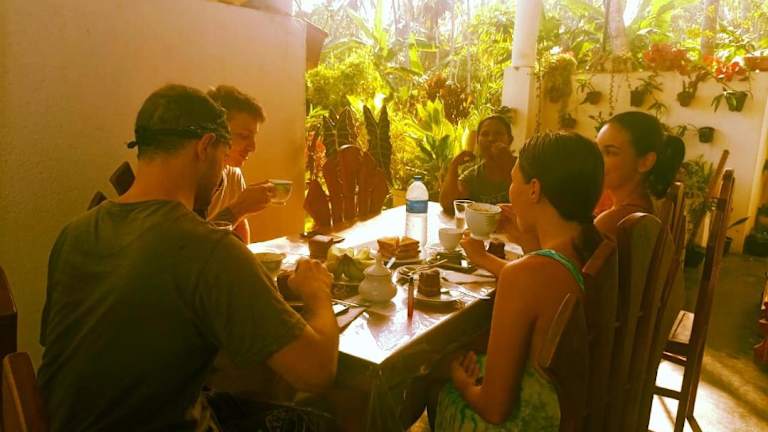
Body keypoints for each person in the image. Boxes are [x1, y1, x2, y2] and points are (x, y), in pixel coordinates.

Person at [38, 84, 339, 432]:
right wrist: (317, 292)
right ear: (205, 147)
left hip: (63, 423)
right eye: (223, 155)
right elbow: (316, 371)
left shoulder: (73, 233)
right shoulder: (208, 248)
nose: (222, 173)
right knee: (320, 421)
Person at [431, 131, 603, 430]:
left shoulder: (524, 274)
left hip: (535, 423)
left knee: (435, 379)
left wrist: (459, 380)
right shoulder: (590, 249)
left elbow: (494, 409)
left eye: (513, 181)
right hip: (571, 408)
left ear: (534, 189)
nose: (509, 191)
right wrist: (527, 240)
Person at [594, 111, 685, 239]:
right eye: (597, 150)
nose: (596, 159)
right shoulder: (644, 205)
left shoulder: (613, 222)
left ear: (645, 162)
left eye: (610, 152)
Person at [206, 85, 273, 243]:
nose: (253, 147)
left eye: (253, 137)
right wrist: (239, 208)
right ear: (213, 134)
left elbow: (239, 227)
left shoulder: (233, 175)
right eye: (244, 136)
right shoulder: (186, 179)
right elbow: (187, 246)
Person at [440, 115, 516, 213]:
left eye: (499, 133)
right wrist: (454, 166)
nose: (491, 139)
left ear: (510, 140)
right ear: (478, 141)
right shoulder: (473, 176)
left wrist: (509, 162)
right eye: (485, 134)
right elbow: (447, 204)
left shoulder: (524, 167)